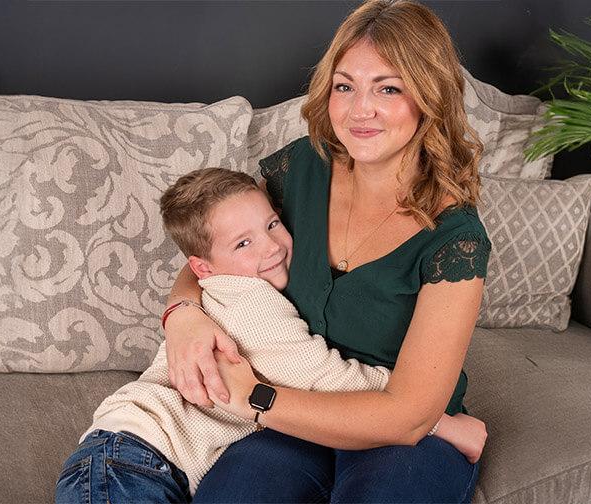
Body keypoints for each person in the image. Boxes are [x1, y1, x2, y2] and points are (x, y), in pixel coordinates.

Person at [162, 1, 492, 502]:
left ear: (429, 97)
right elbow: (213, 255)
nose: (361, 110)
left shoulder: (455, 239)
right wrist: (183, 314)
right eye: (345, 86)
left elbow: (406, 418)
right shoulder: (300, 169)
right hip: (294, 425)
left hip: (403, 436)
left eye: (388, 88)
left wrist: (255, 397)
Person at [54, 168, 487, 503]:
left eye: (273, 225)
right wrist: (434, 419)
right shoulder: (250, 304)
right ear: (203, 268)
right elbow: (324, 377)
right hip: (133, 461)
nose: (271, 247)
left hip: (134, 457)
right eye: (243, 244)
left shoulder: (235, 286)